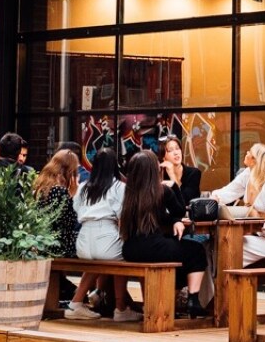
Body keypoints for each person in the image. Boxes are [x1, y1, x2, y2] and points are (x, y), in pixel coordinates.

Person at [119, 150, 208, 314]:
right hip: (154, 248)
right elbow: (180, 210)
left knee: (178, 255)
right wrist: (174, 186)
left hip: (130, 249)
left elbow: (159, 217)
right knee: (196, 250)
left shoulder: (129, 193)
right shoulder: (162, 190)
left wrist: (173, 221)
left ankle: (167, 302)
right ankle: (193, 299)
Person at [71, 148, 133, 321]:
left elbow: (76, 209)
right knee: (123, 258)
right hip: (106, 235)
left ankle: (76, 302)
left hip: (83, 241)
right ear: (114, 165)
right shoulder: (119, 187)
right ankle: (120, 308)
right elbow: (122, 216)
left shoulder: (83, 187)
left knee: (96, 262)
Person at [209, 143, 265, 264]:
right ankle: (215, 276)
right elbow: (229, 192)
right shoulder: (248, 174)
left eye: (250, 152)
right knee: (213, 245)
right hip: (250, 236)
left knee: (229, 246)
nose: (247, 153)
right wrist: (214, 198)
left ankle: (227, 275)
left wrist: (256, 221)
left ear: (255, 160)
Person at [33, 149, 81, 261]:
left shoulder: (43, 188)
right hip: (59, 246)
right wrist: (73, 195)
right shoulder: (60, 191)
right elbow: (68, 223)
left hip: (43, 243)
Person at [160, 135, 202, 205]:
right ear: (163, 157)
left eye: (177, 148)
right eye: (170, 150)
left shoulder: (194, 173)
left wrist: (172, 175)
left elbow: (184, 202)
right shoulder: (160, 175)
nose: (176, 153)